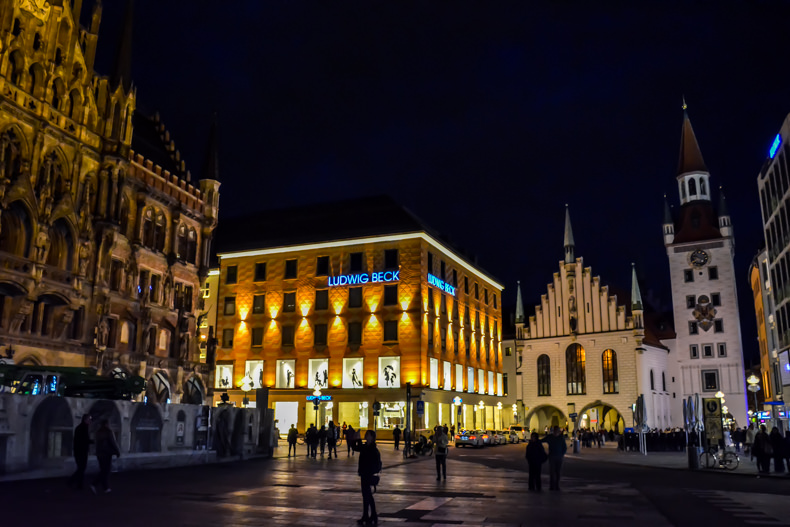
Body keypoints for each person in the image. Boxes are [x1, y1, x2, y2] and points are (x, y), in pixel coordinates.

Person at [352, 429, 381, 525]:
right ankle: (369, 515)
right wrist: (356, 439)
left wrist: (358, 440)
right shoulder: (366, 447)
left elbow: (375, 463)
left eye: (367, 434)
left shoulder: (372, 449)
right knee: (366, 496)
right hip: (364, 474)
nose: (366, 435)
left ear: (372, 438)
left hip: (368, 474)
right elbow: (355, 448)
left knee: (367, 495)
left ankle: (371, 515)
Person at [90, 419, 120, 494]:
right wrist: (117, 451)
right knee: (106, 471)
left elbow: (96, 443)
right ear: (106, 424)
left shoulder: (98, 432)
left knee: (103, 470)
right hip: (107, 453)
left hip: (99, 454)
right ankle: (96, 484)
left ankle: (104, 487)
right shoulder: (108, 432)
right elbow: (113, 442)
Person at [68, 414, 92, 489]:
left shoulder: (81, 427)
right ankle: (72, 482)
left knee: (81, 468)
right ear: (85, 419)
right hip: (81, 451)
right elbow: (84, 440)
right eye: (89, 419)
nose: (90, 420)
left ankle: (78, 484)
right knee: (82, 468)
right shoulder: (83, 428)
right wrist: (93, 441)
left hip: (79, 451)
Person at [541, 426, 567, 491]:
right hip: (552, 456)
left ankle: (557, 485)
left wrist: (562, 454)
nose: (556, 432)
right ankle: (552, 486)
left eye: (557, 431)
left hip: (559, 457)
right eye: (555, 431)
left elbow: (564, 447)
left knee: (558, 472)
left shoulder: (561, 438)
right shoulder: (550, 437)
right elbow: (542, 440)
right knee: (552, 472)